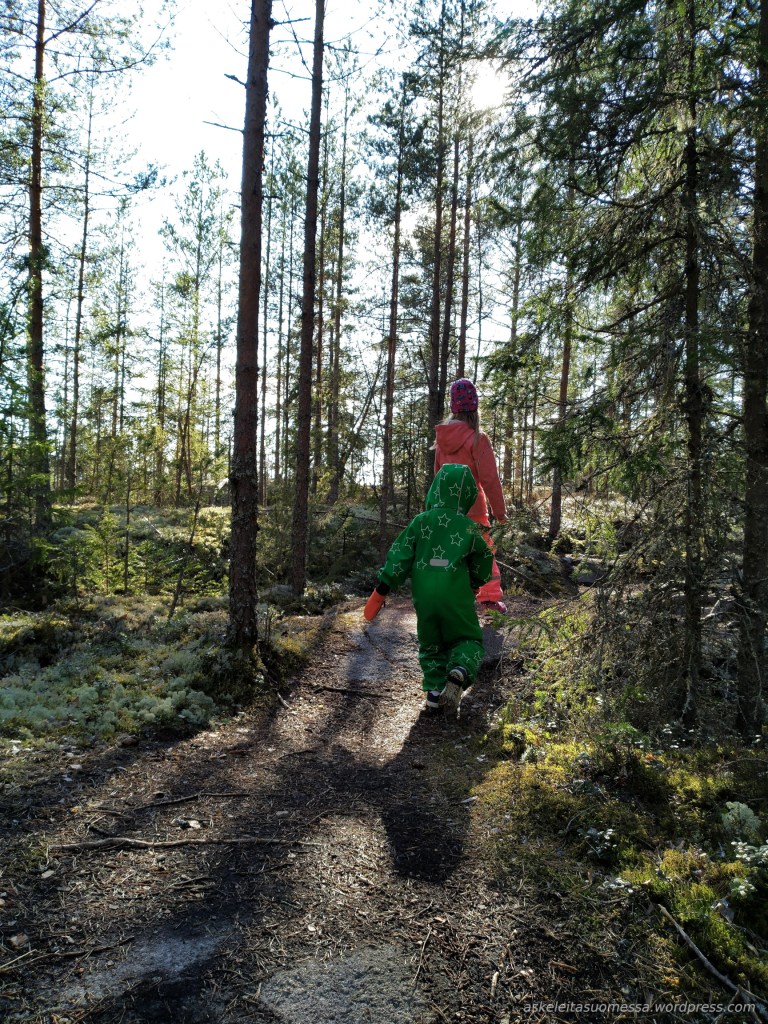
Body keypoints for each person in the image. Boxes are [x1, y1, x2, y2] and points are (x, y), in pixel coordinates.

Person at [363, 462, 493, 714]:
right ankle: (460, 668)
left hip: (424, 597)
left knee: (431, 644)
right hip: (456, 596)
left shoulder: (420, 522)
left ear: (436, 489)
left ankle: (434, 693)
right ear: (468, 495)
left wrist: (383, 588)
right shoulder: (469, 527)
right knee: (467, 639)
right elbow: (484, 559)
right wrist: (475, 583)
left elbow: (400, 556)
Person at [433, 378, 508, 614]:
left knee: (453, 555)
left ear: (453, 407)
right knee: (483, 553)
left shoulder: (441, 440)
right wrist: (500, 514)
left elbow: (438, 479)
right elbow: (490, 479)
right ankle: (489, 599)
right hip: (474, 510)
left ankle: (449, 599)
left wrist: (436, 511)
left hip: (447, 512)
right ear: (475, 407)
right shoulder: (478, 439)